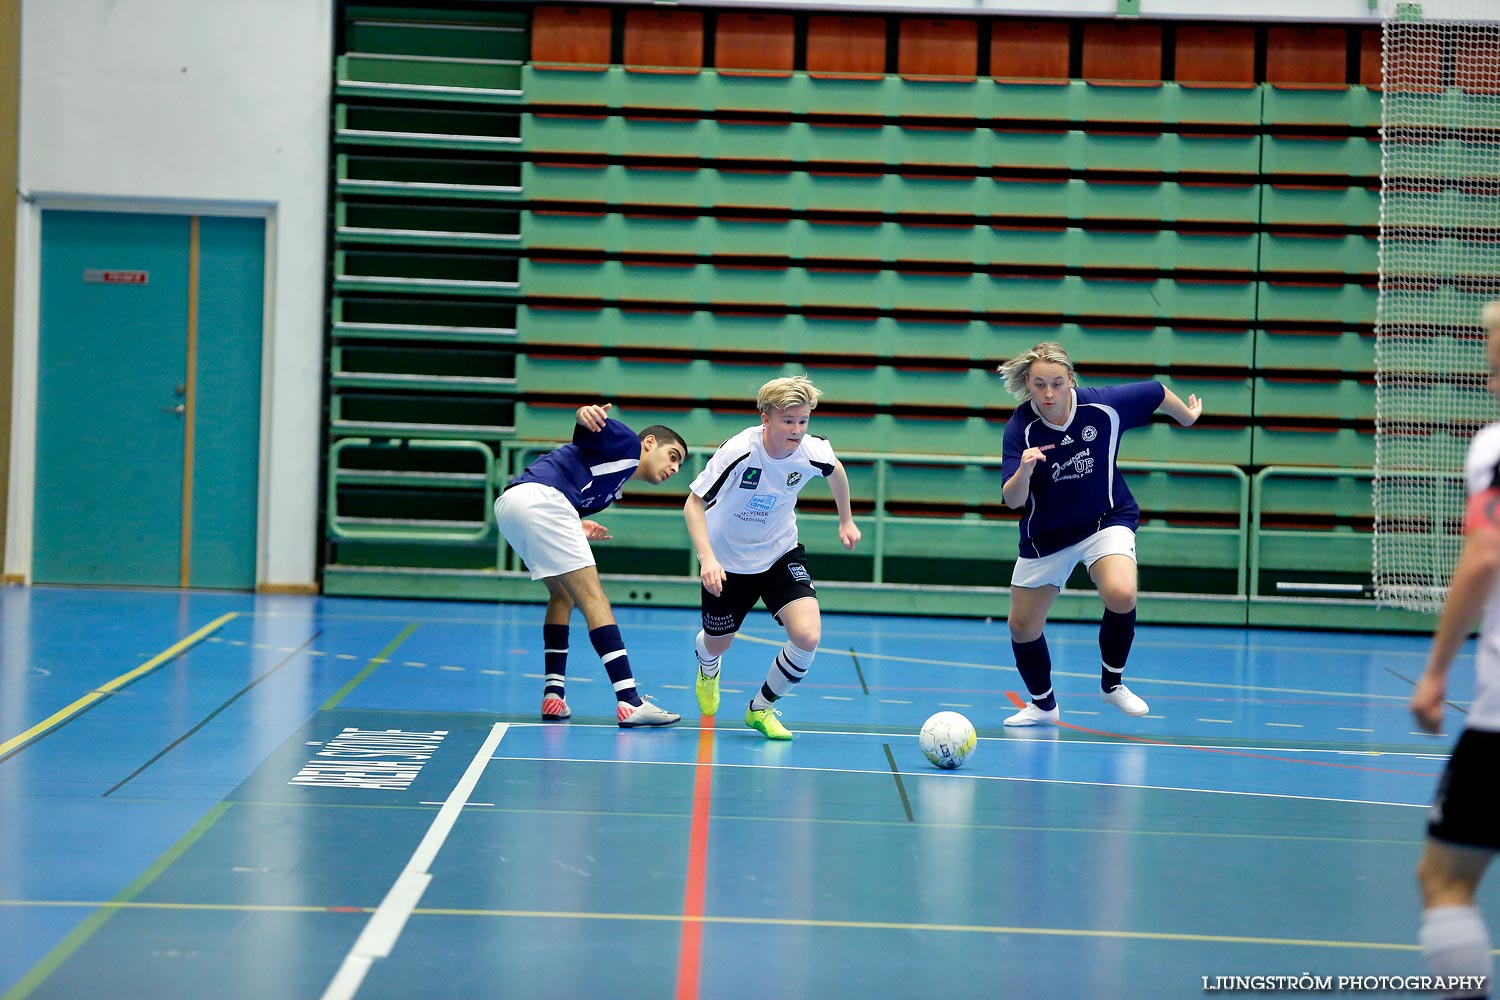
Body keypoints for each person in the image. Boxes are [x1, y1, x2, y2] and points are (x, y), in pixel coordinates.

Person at [995, 342, 1202, 727]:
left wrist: (1187, 417)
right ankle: (1043, 705)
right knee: (1022, 627)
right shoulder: (1020, 428)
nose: (1049, 393)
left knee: (1121, 593)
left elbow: (1156, 391)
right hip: (1048, 534)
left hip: (1105, 519)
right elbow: (1012, 500)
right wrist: (1024, 470)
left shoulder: (1102, 407)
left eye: (1057, 382)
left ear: (1071, 380)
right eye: (1040, 384)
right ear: (1028, 384)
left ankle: (1112, 683)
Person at [683, 375, 860, 740]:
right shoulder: (740, 451)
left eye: (803, 421)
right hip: (728, 562)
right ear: (766, 418)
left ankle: (760, 709)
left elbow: (836, 471)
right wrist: (707, 559)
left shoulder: (813, 450)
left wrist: (846, 519)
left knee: (807, 635)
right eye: (788, 421)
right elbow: (693, 503)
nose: (797, 430)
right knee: (719, 642)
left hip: (780, 551)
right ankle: (708, 665)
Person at [1408, 302, 1500, 1000]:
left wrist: (1436, 674)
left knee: (1444, 879)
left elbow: (1484, 555)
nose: (1490, 375)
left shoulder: (1495, 447)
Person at [493, 403, 688, 727]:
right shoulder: (626, 444)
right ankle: (629, 700)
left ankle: (553, 695)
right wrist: (585, 413)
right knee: (594, 599)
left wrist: (577, 525)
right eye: (673, 456)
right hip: (541, 502)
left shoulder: (609, 492)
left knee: (563, 596)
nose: (676, 468)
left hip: (512, 507)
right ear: (650, 443)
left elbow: (567, 489)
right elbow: (589, 430)